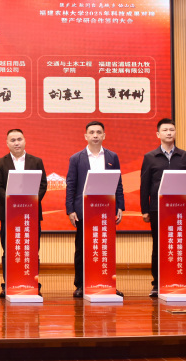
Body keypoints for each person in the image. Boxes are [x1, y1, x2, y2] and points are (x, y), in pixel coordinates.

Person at [66, 121, 125, 298]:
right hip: (84, 209)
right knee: (82, 248)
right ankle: (81, 284)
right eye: (91, 132)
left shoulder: (112, 156)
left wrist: (120, 206)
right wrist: (70, 209)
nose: (95, 135)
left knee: (106, 247)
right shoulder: (76, 158)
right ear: (86, 136)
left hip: (107, 209)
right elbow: (71, 185)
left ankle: (108, 282)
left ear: (104, 135)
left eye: (99, 132)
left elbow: (118, 183)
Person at [140, 118, 186, 298]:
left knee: (179, 244)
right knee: (159, 246)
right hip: (158, 209)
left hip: (180, 208)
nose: (169, 133)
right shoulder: (150, 157)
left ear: (175, 132)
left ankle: (179, 280)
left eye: (172, 129)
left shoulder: (184, 156)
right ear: (158, 134)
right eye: (165, 130)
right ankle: (157, 284)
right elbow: (145, 185)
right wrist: (145, 210)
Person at [0, 129, 47, 298]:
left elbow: (43, 185)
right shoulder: (0, 163)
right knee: (9, 250)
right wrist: (12, 203)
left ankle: (32, 283)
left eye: (19, 139)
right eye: (13, 140)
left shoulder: (36, 161)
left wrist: (30, 202)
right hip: (9, 215)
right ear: (7, 143)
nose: (16, 143)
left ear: (25, 141)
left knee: (32, 249)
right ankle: (9, 284)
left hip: (31, 214)